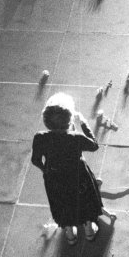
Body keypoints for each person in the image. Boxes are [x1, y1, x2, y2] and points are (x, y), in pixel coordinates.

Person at [31, 92, 115, 246]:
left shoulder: (40, 137)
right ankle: (89, 230)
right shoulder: (76, 137)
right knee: (86, 201)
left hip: (55, 178)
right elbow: (94, 145)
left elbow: (35, 160)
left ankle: (70, 233)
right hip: (78, 176)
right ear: (69, 121)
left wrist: (46, 171)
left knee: (62, 203)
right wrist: (82, 124)